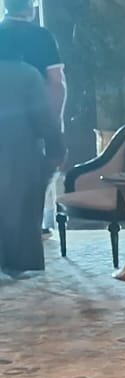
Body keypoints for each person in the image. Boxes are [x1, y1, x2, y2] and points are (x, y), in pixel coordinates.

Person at [0, 0, 67, 234]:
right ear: (29, 5)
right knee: (32, 184)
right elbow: (56, 84)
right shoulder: (41, 37)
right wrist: (54, 125)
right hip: (32, 122)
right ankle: (31, 232)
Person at [0, 59, 62, 274]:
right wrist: (56, 151)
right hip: (19, 155)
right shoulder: (27, 74)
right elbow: (44, 118)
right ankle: (21, 270)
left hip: (18, 155)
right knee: (22, 219)